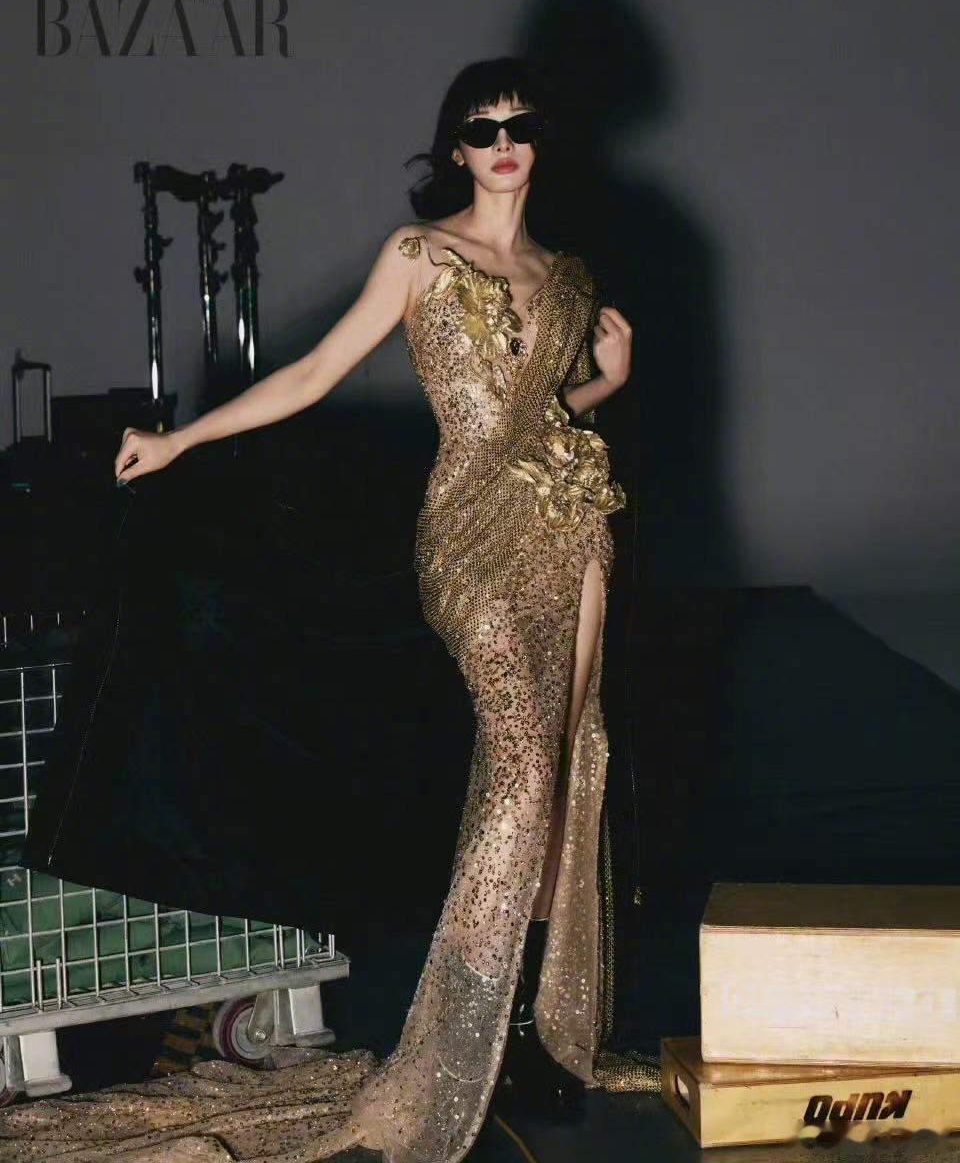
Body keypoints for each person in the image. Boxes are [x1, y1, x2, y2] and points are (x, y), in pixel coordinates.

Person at [0, 57, 632, 1163]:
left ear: (543, 140)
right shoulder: (420, 255)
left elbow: (545, 420)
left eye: (520, 123)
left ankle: (533, 1026)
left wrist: (604, 388)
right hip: (471, 537)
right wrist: (182, 440)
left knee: (571, 760)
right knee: (522, 764)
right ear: (454, 148)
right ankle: (459, 1044)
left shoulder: (566, 274)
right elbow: (314, 373)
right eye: (480, 126)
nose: (502, 142)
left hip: (575, 530)